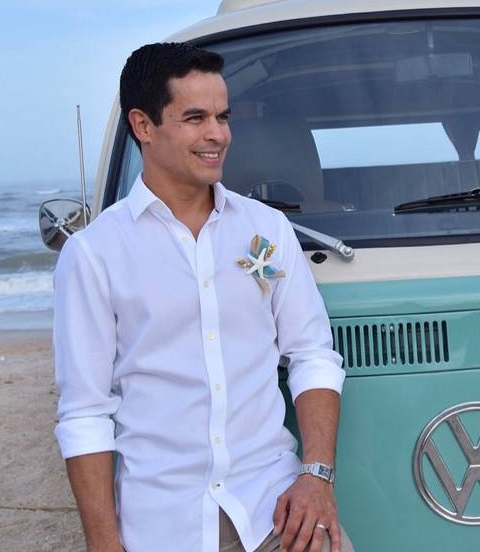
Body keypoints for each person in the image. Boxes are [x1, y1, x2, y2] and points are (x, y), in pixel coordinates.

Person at [52, 42, 353, 552]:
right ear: (144, 126)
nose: (218, 134)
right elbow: (85, 413)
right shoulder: (94, 254)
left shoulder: (267, 228)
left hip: (276, 507)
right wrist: (103, 541)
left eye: (222, 116)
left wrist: (317, 477)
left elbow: (312, 357)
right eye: (195, 118)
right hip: (164, 522)